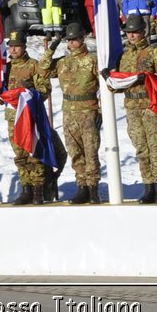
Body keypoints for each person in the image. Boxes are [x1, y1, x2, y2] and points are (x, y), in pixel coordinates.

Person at [115, 15, 157, 203]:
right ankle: (148, 186)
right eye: (129, 32)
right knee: (141, 149)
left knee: (154, 148)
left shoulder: (152, 53)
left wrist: (147, 78)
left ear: (143, 32)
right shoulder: (124, 56)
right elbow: (118, 84)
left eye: (135, 32)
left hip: (149, 105)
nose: (132, 36)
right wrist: (111, 78)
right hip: (132, 107)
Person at [46, 22, 101, 204]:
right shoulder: (63, 62)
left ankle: (93, 189)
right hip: (69, 111)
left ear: (82, 39)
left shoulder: (92, 60)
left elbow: (104, 83)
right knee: (75, 152)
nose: (71, 43)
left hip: (88, 110)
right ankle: (82, 187)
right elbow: (43, 68)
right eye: (68, 40)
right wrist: (53, 47)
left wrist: (99, 109)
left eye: (74, 40)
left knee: (90, 151)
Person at [2, 30, 51, 204]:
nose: (13, 50)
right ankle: (26, 188)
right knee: (19, 154)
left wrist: (29, 96)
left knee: (33, 152)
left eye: (17, 46)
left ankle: (38, 189)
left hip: (29, 116)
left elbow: (45, 89)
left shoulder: (33, 65)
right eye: (11, 46)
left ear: (24, 46)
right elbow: (3, 93)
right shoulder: (5, 68)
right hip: (12, 117)